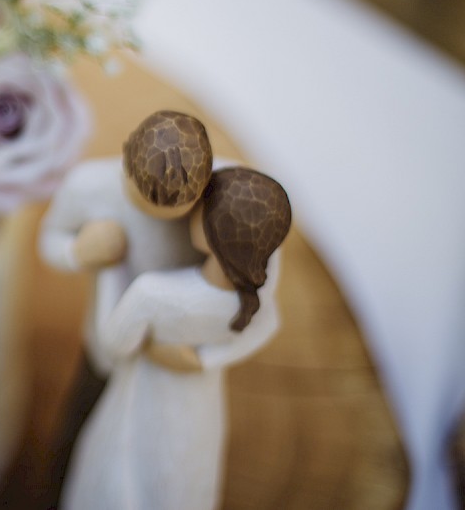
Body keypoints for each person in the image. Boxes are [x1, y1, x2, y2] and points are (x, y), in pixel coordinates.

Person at [60, 167, 292, 510]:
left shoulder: (154, 295)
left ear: (212, 234)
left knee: (120, 476)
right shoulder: (248, 302)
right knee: (185, 479)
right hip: (201, 407)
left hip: (142, 403)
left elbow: (114, 342)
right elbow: (269, 324)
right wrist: (205, 361)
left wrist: (111, 267)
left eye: (203, 205)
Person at [38, 110, 214, 501]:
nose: (158, 216)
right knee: (79, 435)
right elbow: (47, 241)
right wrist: (77, 252)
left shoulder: (211, 208)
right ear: (126, 160)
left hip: (167, 362)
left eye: (175, 211)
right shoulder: (89, 187)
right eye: (144, 200)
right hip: (103, 350)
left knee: (154, 469)